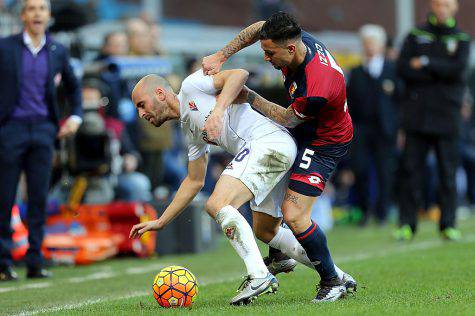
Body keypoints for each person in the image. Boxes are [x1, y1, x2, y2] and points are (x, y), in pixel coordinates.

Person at [202, 12, 355, 302]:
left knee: (295, 214)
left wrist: (249, 97)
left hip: (323, 141)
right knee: (264, 224)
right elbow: (258, 29)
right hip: (304, 131)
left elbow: (287, 119)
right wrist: (221, 56)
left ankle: (332, 281)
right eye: (264, 50)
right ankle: (279, 255)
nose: (266, 58)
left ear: (291, 49)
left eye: (270, 53)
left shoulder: (317, 86)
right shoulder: (292, 39)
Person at [0, 0, 82, 281]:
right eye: (32, 8)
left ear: (48, 16)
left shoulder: (57, 50)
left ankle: (35, 260)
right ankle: (3, 263)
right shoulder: (5, 47)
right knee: (4, 197)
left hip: (45, 131)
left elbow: (73, 86)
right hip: (10, 129)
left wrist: (76, 117)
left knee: (38, 198)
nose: (37, 13)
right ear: (23, 15)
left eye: (42, 9)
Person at [394, 0, 470, 241]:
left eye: (446, 4)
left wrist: (426, 62)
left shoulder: (462, 39)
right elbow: (403, 68)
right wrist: (440, 71)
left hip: (448, 117)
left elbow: (457, 70)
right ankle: (407, 224)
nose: (441, 8)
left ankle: (448, 224)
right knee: (411, 171)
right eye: (438, 4)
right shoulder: (416, 35)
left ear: (454, 8)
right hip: (417, 117)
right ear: (432, 6)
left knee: (447, 173)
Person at [347, 24, 400, 225]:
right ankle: (364, 210)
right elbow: (350, 102)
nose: (369, 47)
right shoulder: (356, 72)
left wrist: (399, 128)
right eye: (366, 43)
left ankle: (383, 212)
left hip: (385, 129)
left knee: (385, 170)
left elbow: (399, 101)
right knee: (360, 169)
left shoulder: (391, 69)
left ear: (381, 46)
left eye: (373, 43)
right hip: (361, 128)